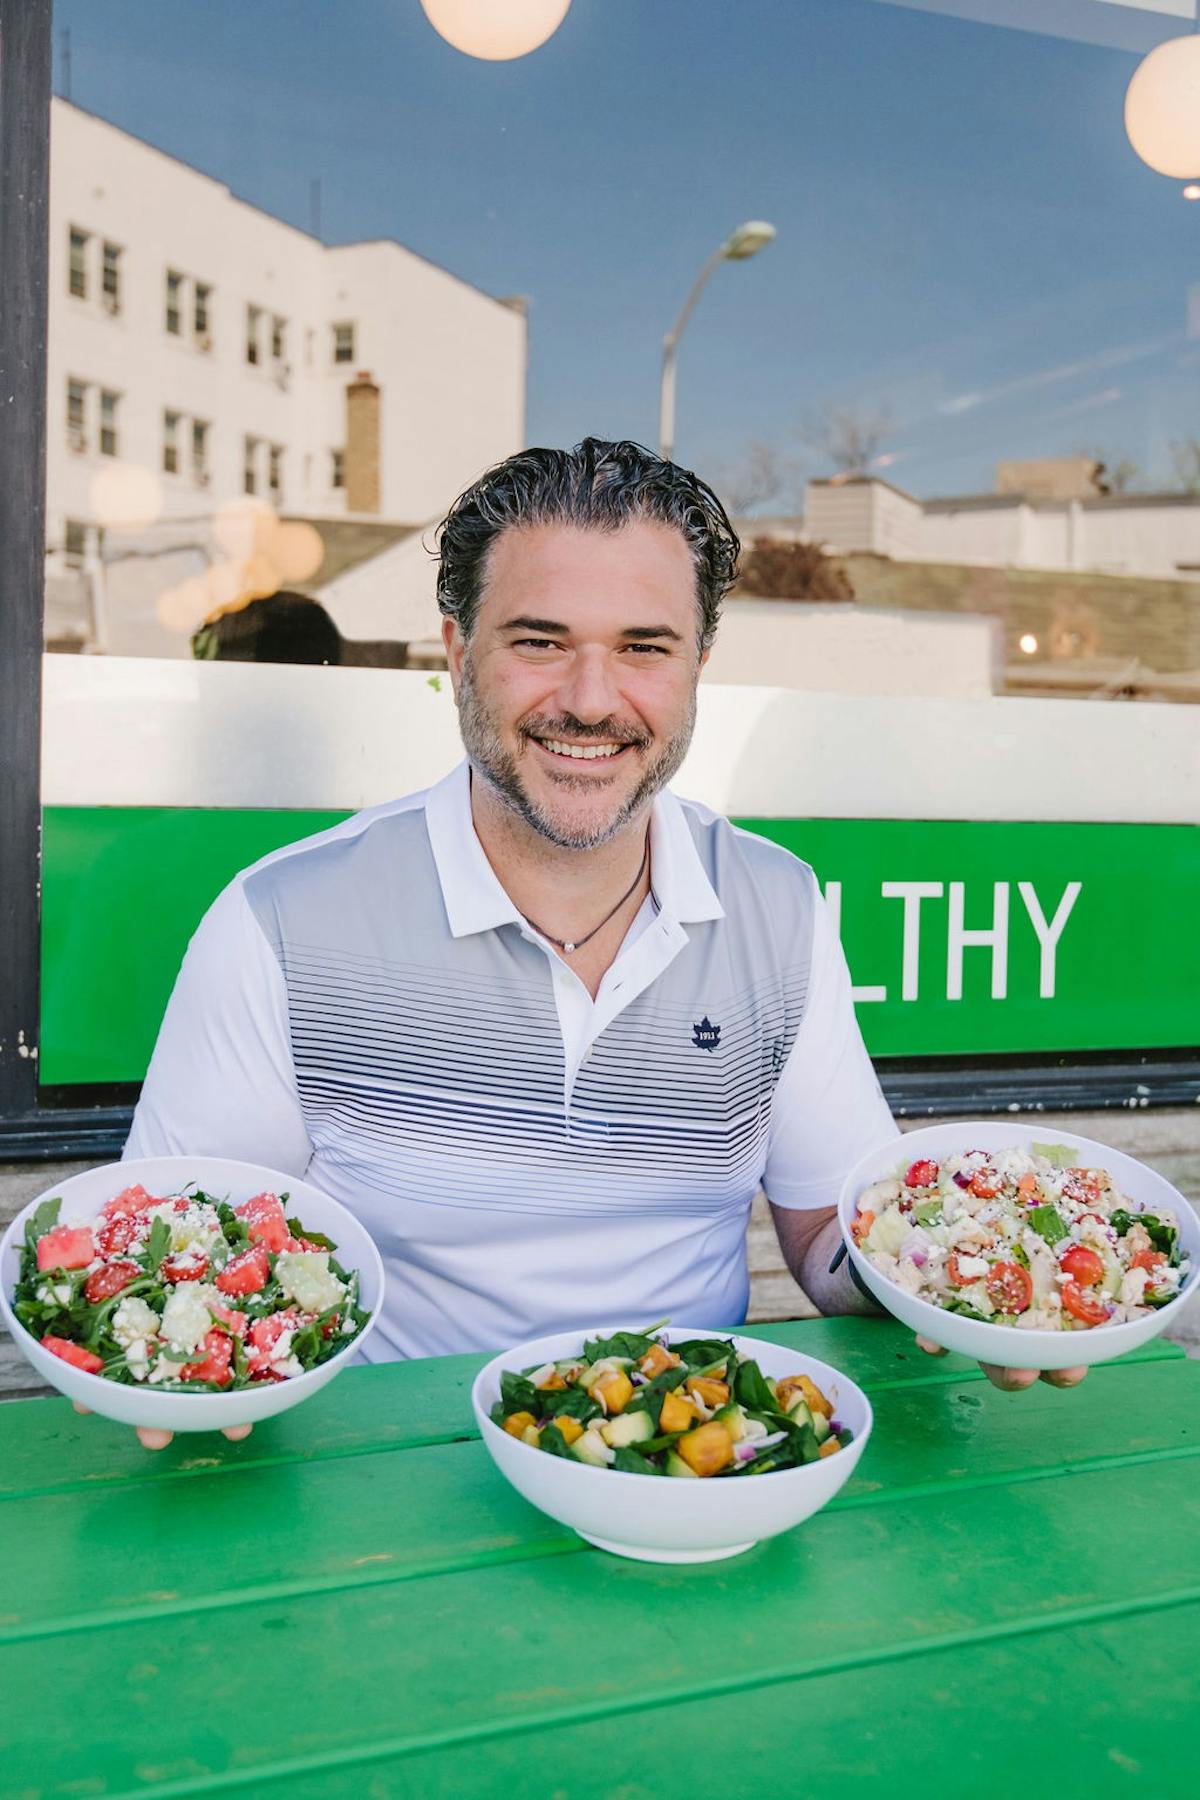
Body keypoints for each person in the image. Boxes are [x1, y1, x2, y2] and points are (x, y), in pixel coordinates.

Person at [109, 438, 1084, 1449]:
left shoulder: (778, 907)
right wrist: (184, 1357)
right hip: (383, 1477)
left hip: (697, 1465)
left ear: (699, 663)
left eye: (644, 647)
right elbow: (176, 1242)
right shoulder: (283, 919)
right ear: (456, 652)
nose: (589, 698)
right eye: (538, 640)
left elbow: (832, 1234)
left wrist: (959, 1280)